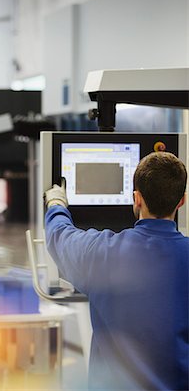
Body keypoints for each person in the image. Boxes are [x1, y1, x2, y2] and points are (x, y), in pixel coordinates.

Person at [44, 151, 188, 391]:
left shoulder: (101, 253)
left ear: (137, 198)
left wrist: (56, 204)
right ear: (181, 200)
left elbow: (59, 235)